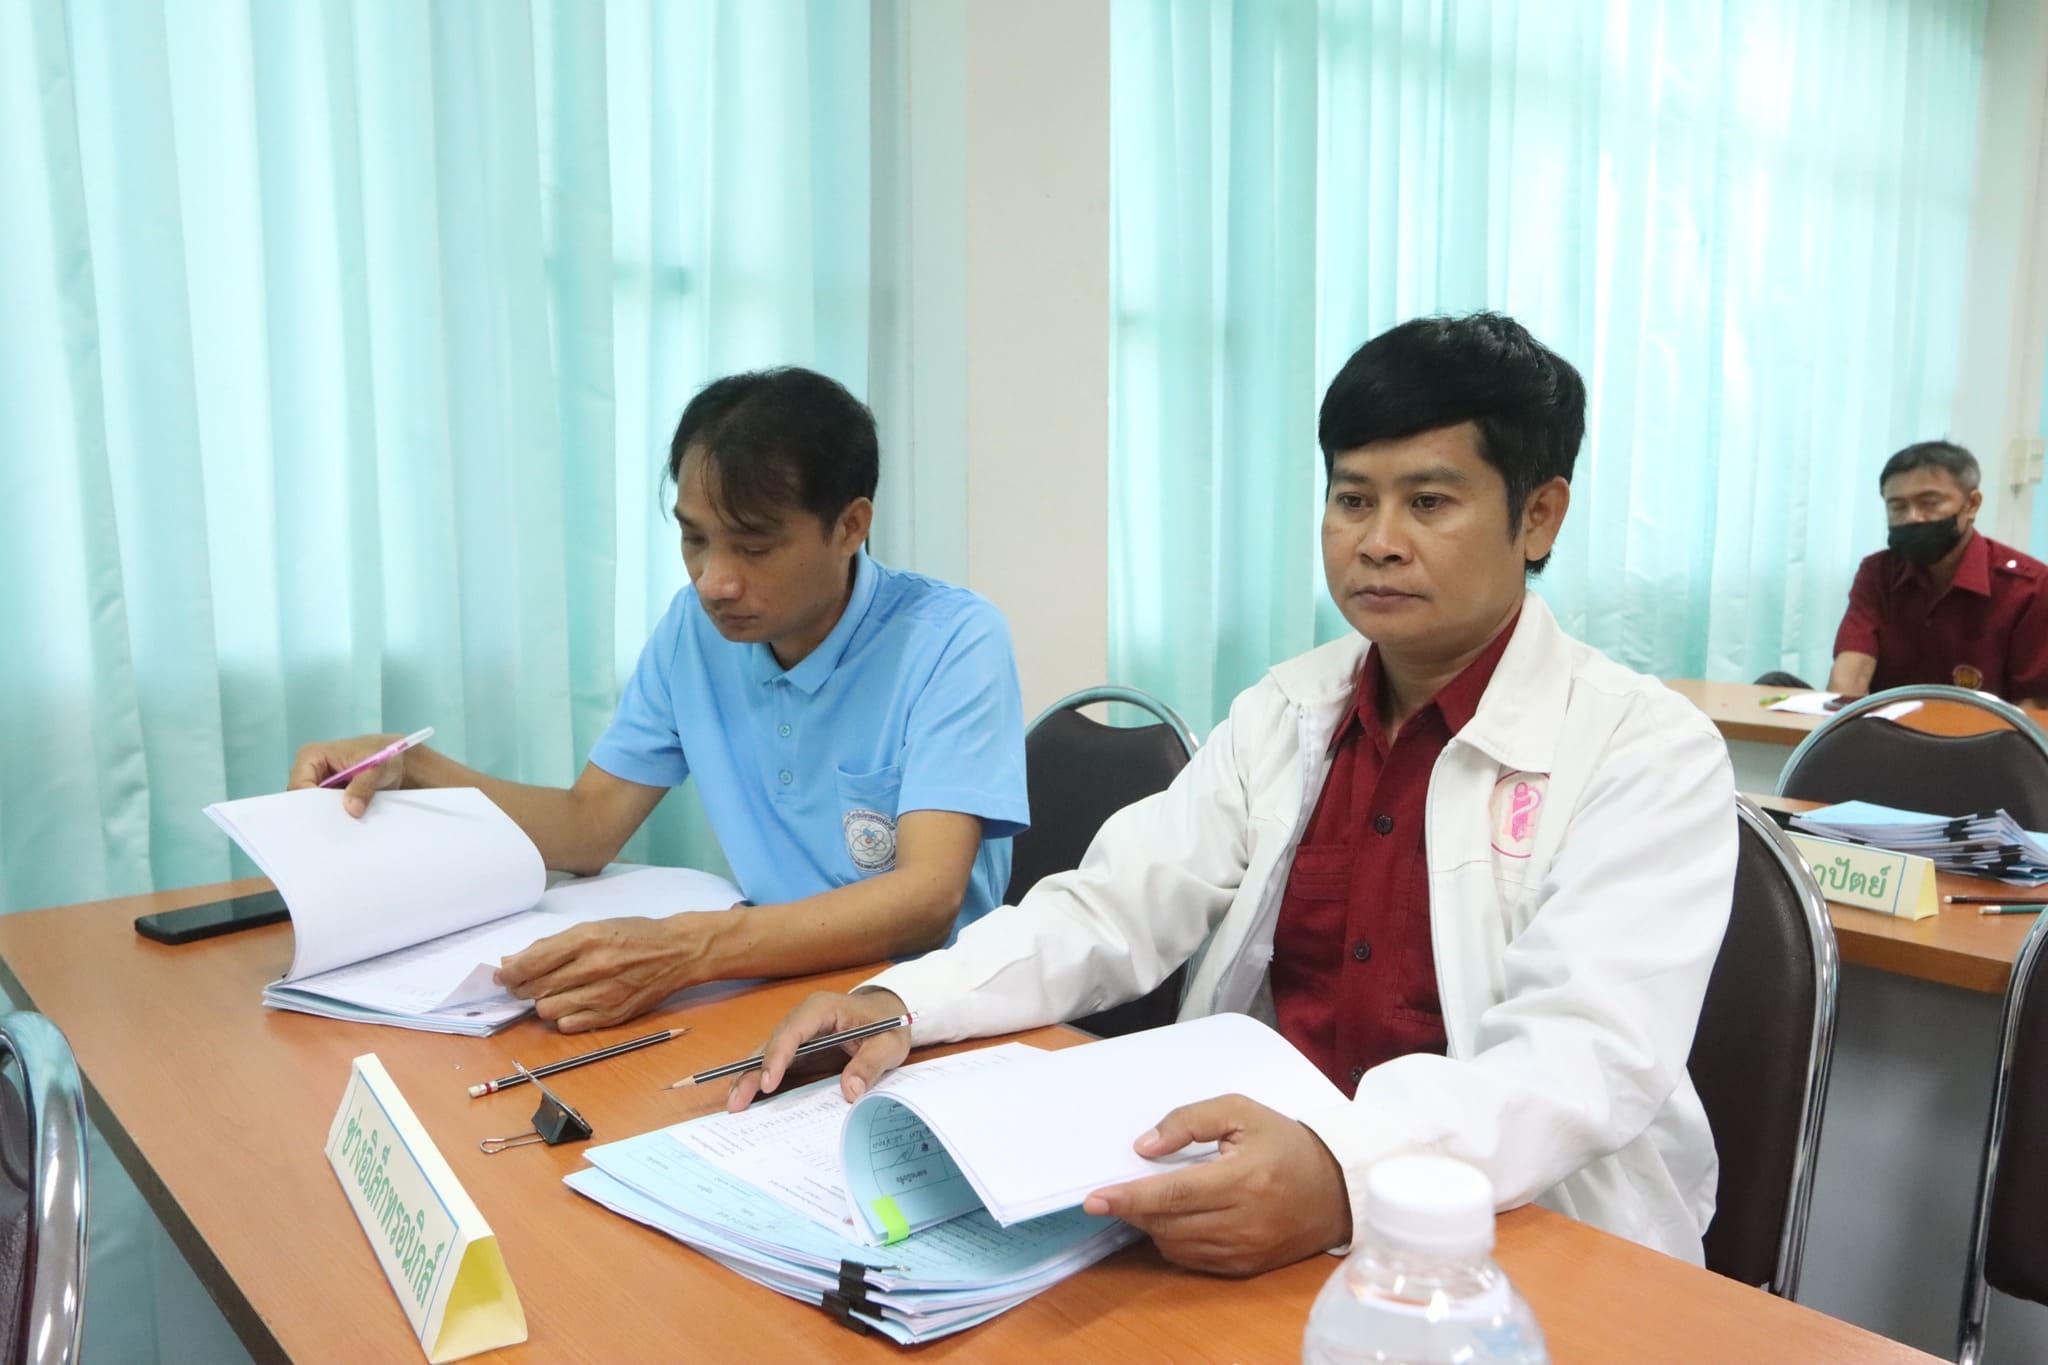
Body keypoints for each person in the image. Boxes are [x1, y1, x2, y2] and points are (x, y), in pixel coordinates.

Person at [732, 314, 1737, 1277]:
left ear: (1538, 515)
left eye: (1428, 503)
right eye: (1352, 500)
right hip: (1255, 1206)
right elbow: (1113, 907)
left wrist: (1340, 1171)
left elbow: (1575, 1059)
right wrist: (903, 1000)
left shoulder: (1642, 750)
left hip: (1526, 1237)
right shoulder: (1288, 711)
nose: (1378, 541)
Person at [288, 368, 1028, 1033]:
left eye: (754, 546)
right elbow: (589, 826)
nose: (714, 581)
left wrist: (688, 948)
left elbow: (926, 900)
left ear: (850, 526)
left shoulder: (951, 640)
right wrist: (413, 767)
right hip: (769, 990)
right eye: (695, 539)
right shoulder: (694, 633)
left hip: (922, 1014)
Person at [1827, 440, 2048, 704]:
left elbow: (2035, 706)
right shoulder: (1878, 573)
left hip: (1989, 729)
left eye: (1929, 503)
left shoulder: (2029, 588)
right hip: (1885, 728)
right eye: (1897, 507)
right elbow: (1850, 676)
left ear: (1972, 504)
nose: (1913, 517)